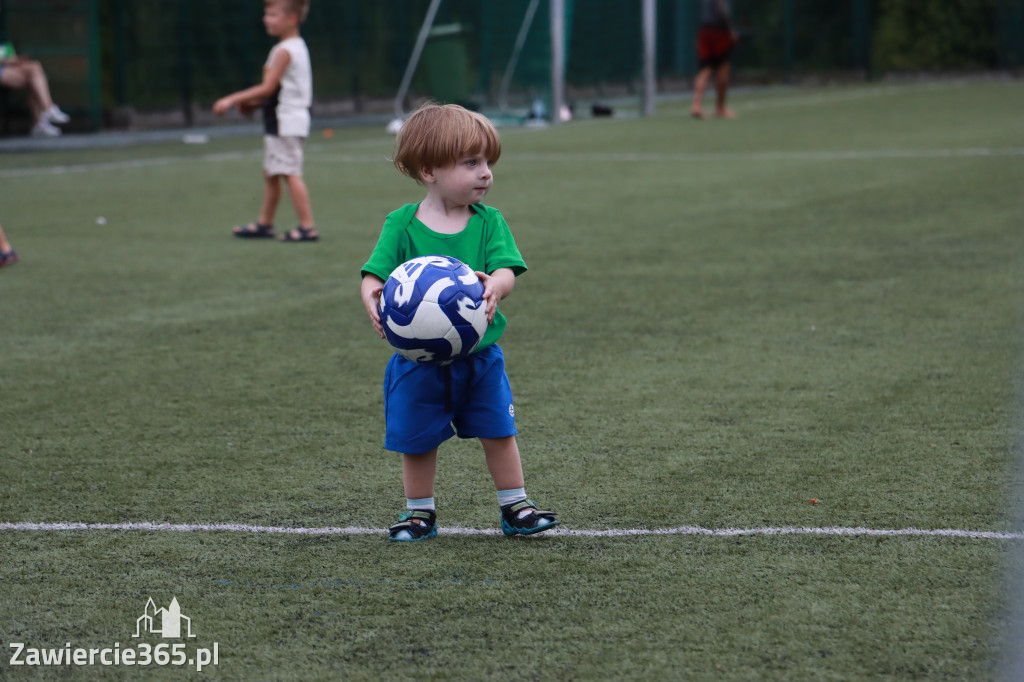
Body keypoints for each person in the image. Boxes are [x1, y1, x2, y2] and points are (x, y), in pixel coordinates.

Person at [359, 103, 559, 542]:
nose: (486, 173)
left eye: (487, 162)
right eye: (471, 163)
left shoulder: (489, 222)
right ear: (429, 170)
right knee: (417, 440)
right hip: (418, 363)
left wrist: (496, 288)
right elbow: (375, 274)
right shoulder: (402, 224)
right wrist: (371, 298)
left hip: (481, 358)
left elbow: (506, 270)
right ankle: (419, 513)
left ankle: (515, 506)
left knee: (499, 432)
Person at [212, 0, 318, 242]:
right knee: (271, 173)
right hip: (284, 119)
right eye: (266, 14)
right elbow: (278, 90)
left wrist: (231, 99)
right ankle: (265, 223)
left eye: (272, 14)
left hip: (286, 121)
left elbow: (268, 87)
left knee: (290, 172)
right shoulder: (297, 46)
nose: (266, 19)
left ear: (291, 19)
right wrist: (253, 104)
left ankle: (307, 227)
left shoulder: (284, 51)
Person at [0, 50, 71, 137]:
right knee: (34, 78)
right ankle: (47, 111)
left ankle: (44, 115)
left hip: (6, 66)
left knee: (35, 67)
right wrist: (7, 61)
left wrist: (14, 60)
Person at [690, 0, 738, 120]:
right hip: (719, 31)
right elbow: (721, 9)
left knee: (705, 68)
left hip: (704, 29)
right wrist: (730, 29)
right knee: (723, 67)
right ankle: (720, 108)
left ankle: (696, 105)